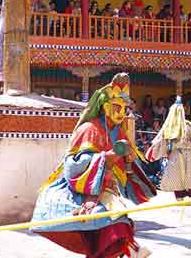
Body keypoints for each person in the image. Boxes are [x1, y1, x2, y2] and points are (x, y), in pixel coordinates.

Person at [31, 73, 155, 258]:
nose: (122, 112)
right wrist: (108, 157)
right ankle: (132, 249)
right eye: (116, 107)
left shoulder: (119, 132)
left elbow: (125, 169)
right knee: (112, 221)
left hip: (107, 190)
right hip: (80, 188)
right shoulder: (89, 129)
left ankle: (129, 249)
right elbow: (73, 167)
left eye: (124, 108)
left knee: (115, 221)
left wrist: (128, 161)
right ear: (105, 107)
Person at [146, 97, 191, 200]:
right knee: (179, 181)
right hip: (180, 156)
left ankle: (181, 201)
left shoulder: (180, 126)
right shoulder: (175, 126)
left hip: (179, 157)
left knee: (182, 180)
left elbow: (160, 141)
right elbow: (162, 141)